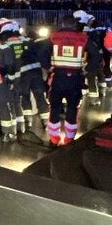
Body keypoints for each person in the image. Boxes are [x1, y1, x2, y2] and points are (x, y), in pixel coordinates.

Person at [47, 14, 87, 146]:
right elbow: (96, 54)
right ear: (75, 25)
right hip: (75, 79)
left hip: (58, 77)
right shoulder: (83, 38)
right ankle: (69, 138)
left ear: (62, 25)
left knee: (55, 107)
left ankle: (54, 139)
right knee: (72, 108)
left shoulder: (53, 37)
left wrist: (49, 67)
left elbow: (42, 53)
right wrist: (86, 69)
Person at [18, 27, 51, 130]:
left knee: (25, 96)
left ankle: (28, 121)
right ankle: (46, 122)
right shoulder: (33, 44)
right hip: (36, 73)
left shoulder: (16, 44)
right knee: (40, 96)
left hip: (24, 75)